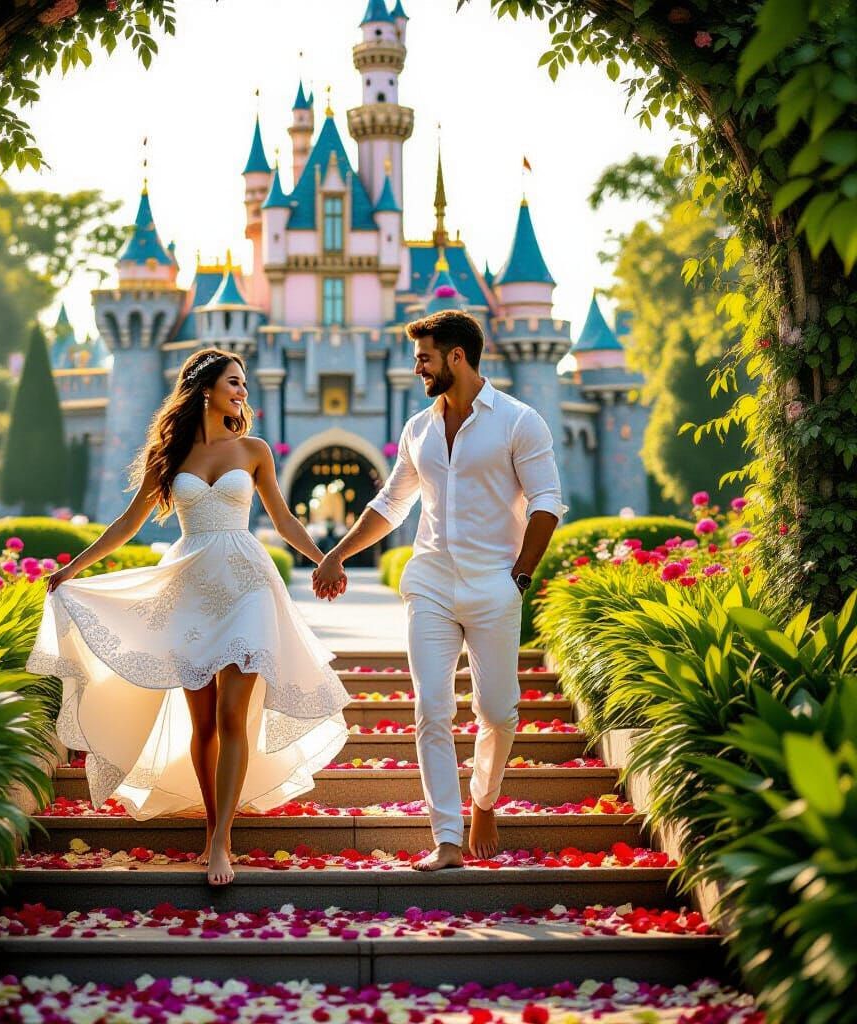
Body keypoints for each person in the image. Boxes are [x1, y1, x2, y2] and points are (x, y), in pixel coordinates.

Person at [28, 348, 350, 887]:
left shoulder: (255, 450)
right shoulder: (169, 456)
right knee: (202, 725)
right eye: (234, 382)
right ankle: (209, 824)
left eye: (244, 383)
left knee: (231, 717)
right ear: (205, 389)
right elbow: (128, 524)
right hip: (189, 590)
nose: (242, 391)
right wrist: (73, 568)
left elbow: (285, 518)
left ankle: (222, 839)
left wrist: (327, 559)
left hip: (247, 584)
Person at [312, 310, 565, 870]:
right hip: (428, 581)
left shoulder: (520, 421)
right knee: (431, 708)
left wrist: (518, 576)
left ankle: (484, 799)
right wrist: (336, 553)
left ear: (456, 356)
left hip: (495, 583)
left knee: (499, 713)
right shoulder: (418, 429)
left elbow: (547, 502)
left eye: (425, 357)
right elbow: (389, 505)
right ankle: (446, 838)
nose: (417, 367)